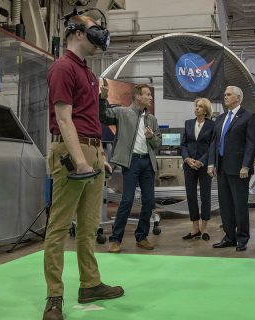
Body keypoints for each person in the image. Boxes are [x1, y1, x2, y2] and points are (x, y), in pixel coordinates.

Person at [44, 14, 123, 320]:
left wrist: (98, 154)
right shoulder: (63, 67)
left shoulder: (88, 73)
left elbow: (91, 120)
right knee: (59, 227)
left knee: (89, 226)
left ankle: (90, 284)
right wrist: (78, 159)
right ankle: (54, 296)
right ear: (76, 33)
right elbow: (64, 118)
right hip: (70, 152)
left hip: (90, 151)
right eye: (94, 29)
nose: (100, 35)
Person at [100, 84, 162, 253]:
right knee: (127, 201)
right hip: (132, 162)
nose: (150, 97)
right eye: (147, 94)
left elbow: (158, 143)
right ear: (137, 97)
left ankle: (141, 237)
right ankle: (115, 239)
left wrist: (151, 138)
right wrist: (102, 98)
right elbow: (103, 117)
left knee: (149, 202)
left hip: (147, 163)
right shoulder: (123, 112)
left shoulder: (152, 119)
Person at [208, 86, 255, 252]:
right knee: (225, 205)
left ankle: (242, 238)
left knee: (239, 205)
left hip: (239, 169)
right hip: (222, 168)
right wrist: (211, 163)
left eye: (228, 95)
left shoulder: (248, 117)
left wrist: (246, 165)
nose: (225, 97)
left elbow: (251, 144)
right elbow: (214, 143)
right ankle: (229, 236)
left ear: (238, 97)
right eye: (224, 95)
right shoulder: (221, 118)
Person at [181, 98, 215, 241]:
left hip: (204, 166)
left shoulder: (212, 125)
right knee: (191, 196)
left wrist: (201, 161)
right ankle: (195, 228)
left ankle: (204, 228)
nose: (197, 108)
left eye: (200, 107)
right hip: (189, 165)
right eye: (196, 106)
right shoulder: (188, 123)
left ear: (206, 110)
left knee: (205, 196)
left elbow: (212, 146)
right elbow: (183, 144)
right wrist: (187, 159)